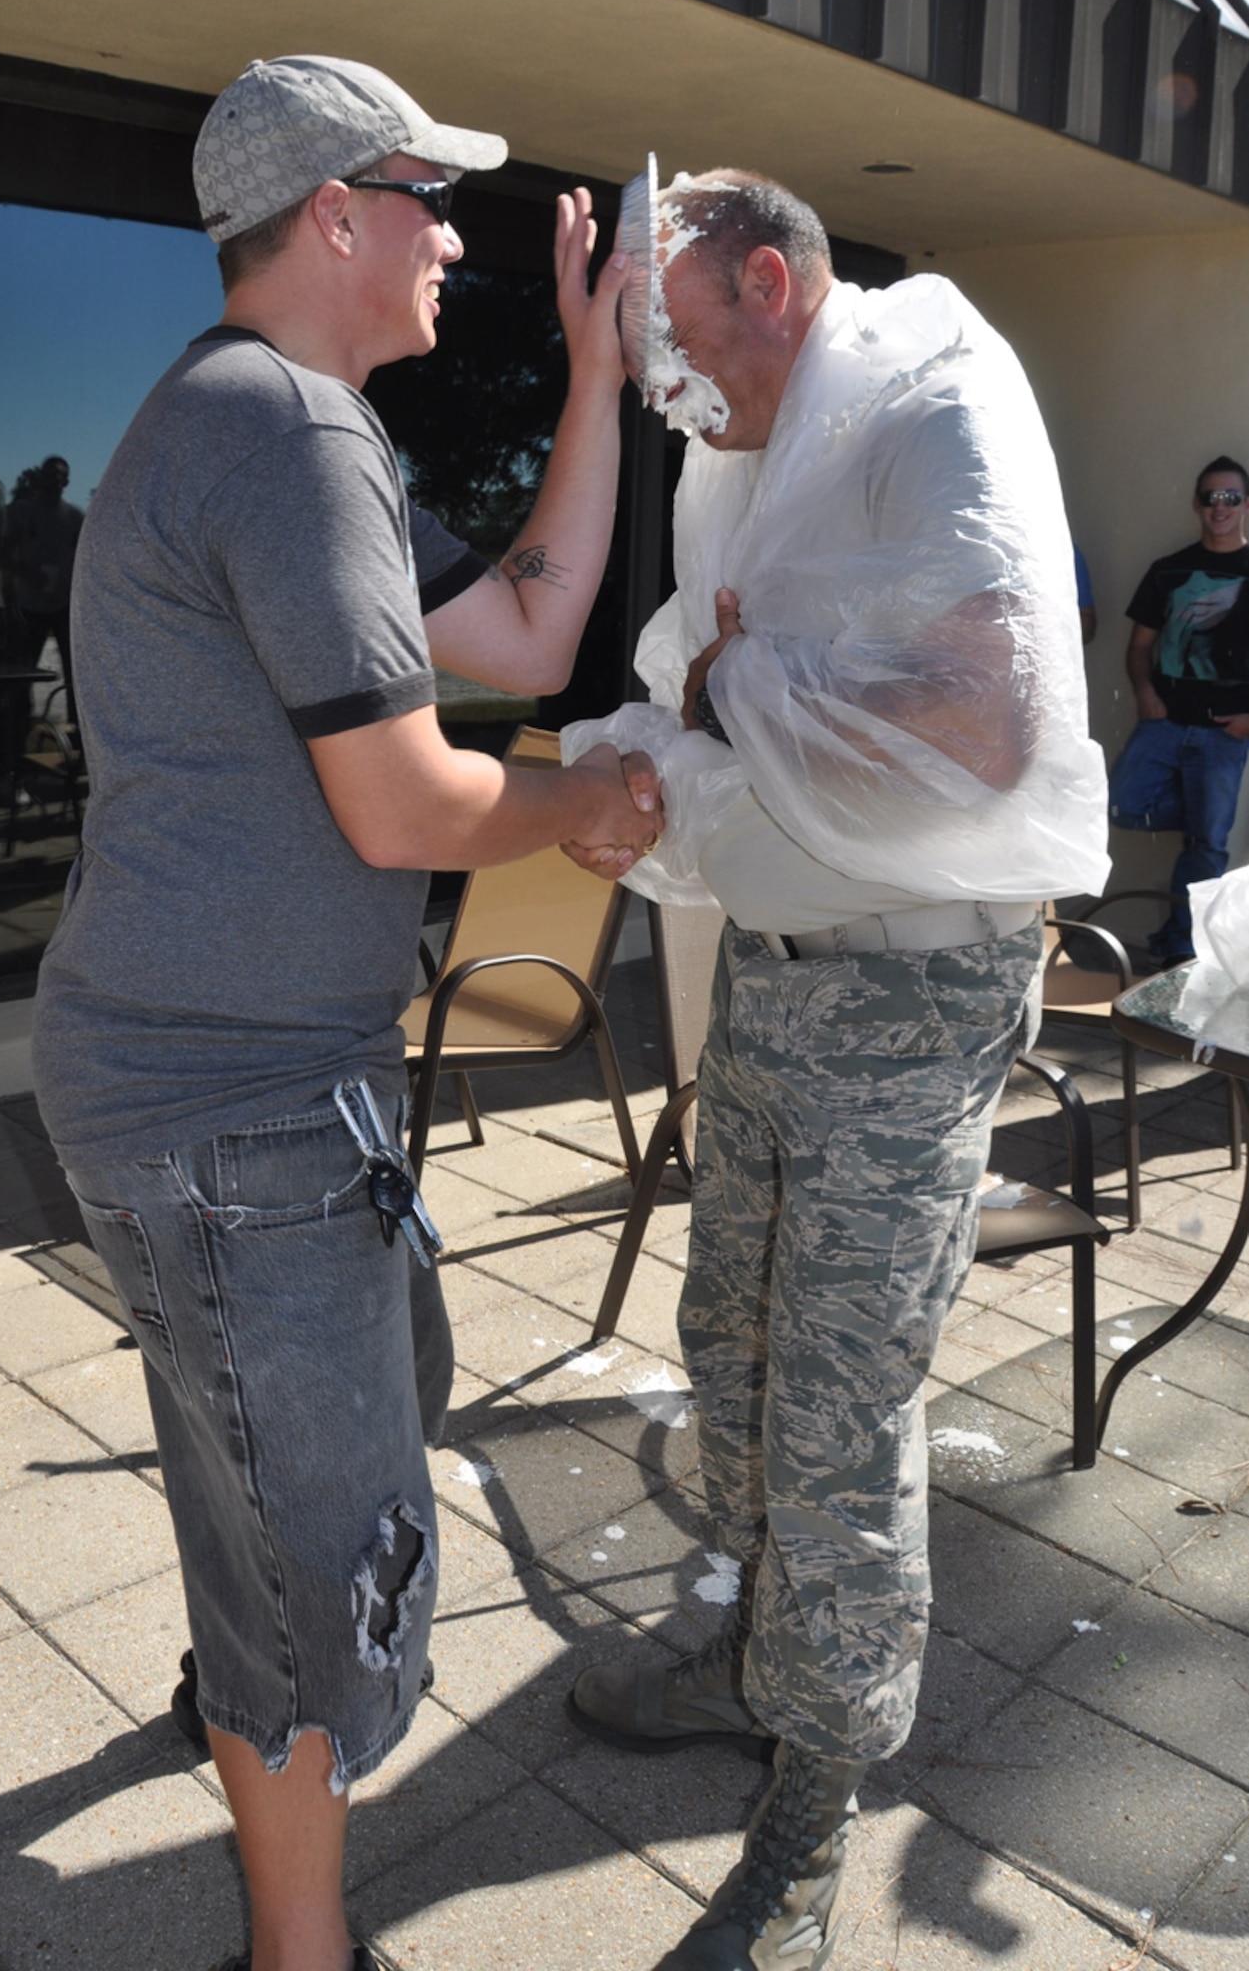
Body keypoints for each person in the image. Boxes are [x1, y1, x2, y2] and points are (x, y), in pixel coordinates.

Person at [30, 54, 661, 1971]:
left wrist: (601, 373)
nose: (455, 237)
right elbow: (407, 800)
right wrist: (591, 805)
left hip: (241, 1091)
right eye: (428, 198)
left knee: (362, 1409)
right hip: (230, 1107)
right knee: (333, 1564)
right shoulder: (280, 435)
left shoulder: (313, 443)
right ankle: (298, 1941)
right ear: (333, 215)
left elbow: (539, 630)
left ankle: (239, 1692)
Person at [561, 170, 1109, 1971]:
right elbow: (749, 698)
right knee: (727, 1351)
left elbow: (989, 720)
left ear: (776, 284)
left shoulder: (933, 403)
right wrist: (657, 754)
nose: (686, 404)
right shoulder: (748, 450)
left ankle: (818, 1793)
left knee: (838, 1409)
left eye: (697, 350)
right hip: (778, 980)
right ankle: (756, 1662)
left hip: (916, 1005)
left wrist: (724, 702)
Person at [1108, 455, 1249, 967]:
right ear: (1197, 504)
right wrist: (1144, 693)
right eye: (1211, 497)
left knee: (1209, 847)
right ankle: (1198, 822)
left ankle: (1183, 949)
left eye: (1231, 498)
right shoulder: (1168, 571)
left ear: (1245, 504)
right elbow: (1138, 647)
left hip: (1225, 733)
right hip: (1164, 723)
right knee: (1122, 803)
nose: (1220, 507)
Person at [3, 454, 84, 724]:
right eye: (50, 475)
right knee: (22, 672)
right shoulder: (21, 512)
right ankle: (18, 732)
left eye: (60, 477)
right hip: (29, 606)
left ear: (67, 481)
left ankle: (78, 733)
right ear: (41, 477)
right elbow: (2, 553)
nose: (55, 481)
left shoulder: (74, 517)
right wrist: (28, 574)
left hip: (64, 606)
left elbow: (89, 556)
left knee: (76, 673)